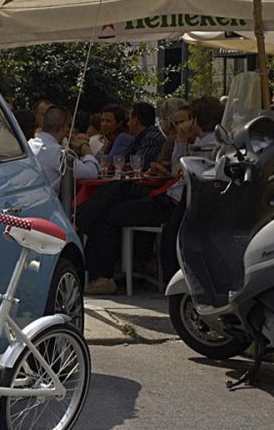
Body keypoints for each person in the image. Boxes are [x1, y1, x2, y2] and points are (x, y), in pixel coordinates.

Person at [78, 97, 222, 295]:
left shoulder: (206, 146)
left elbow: (183, 171)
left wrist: (180, 142)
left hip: (171, 203)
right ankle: (84, 220)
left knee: (108, 213)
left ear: (195, 120)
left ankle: (100, 270)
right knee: (117, 188)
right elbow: (177, 171)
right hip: (167, 191)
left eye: (184, 121)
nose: (180, 126)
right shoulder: (198, 142)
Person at [28, 105, 99, 193]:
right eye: (69, 126)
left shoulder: (30, 144)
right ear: (64, 127)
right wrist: (85, 147)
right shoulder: (57, 153)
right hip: (49, 202)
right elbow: (91, 173)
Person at [123, 102, 165, 171]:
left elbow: (138, 166)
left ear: (135, 121)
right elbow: (123, 160)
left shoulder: (152, 138)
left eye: (129, 119)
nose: (127, 124)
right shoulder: (139, 138)